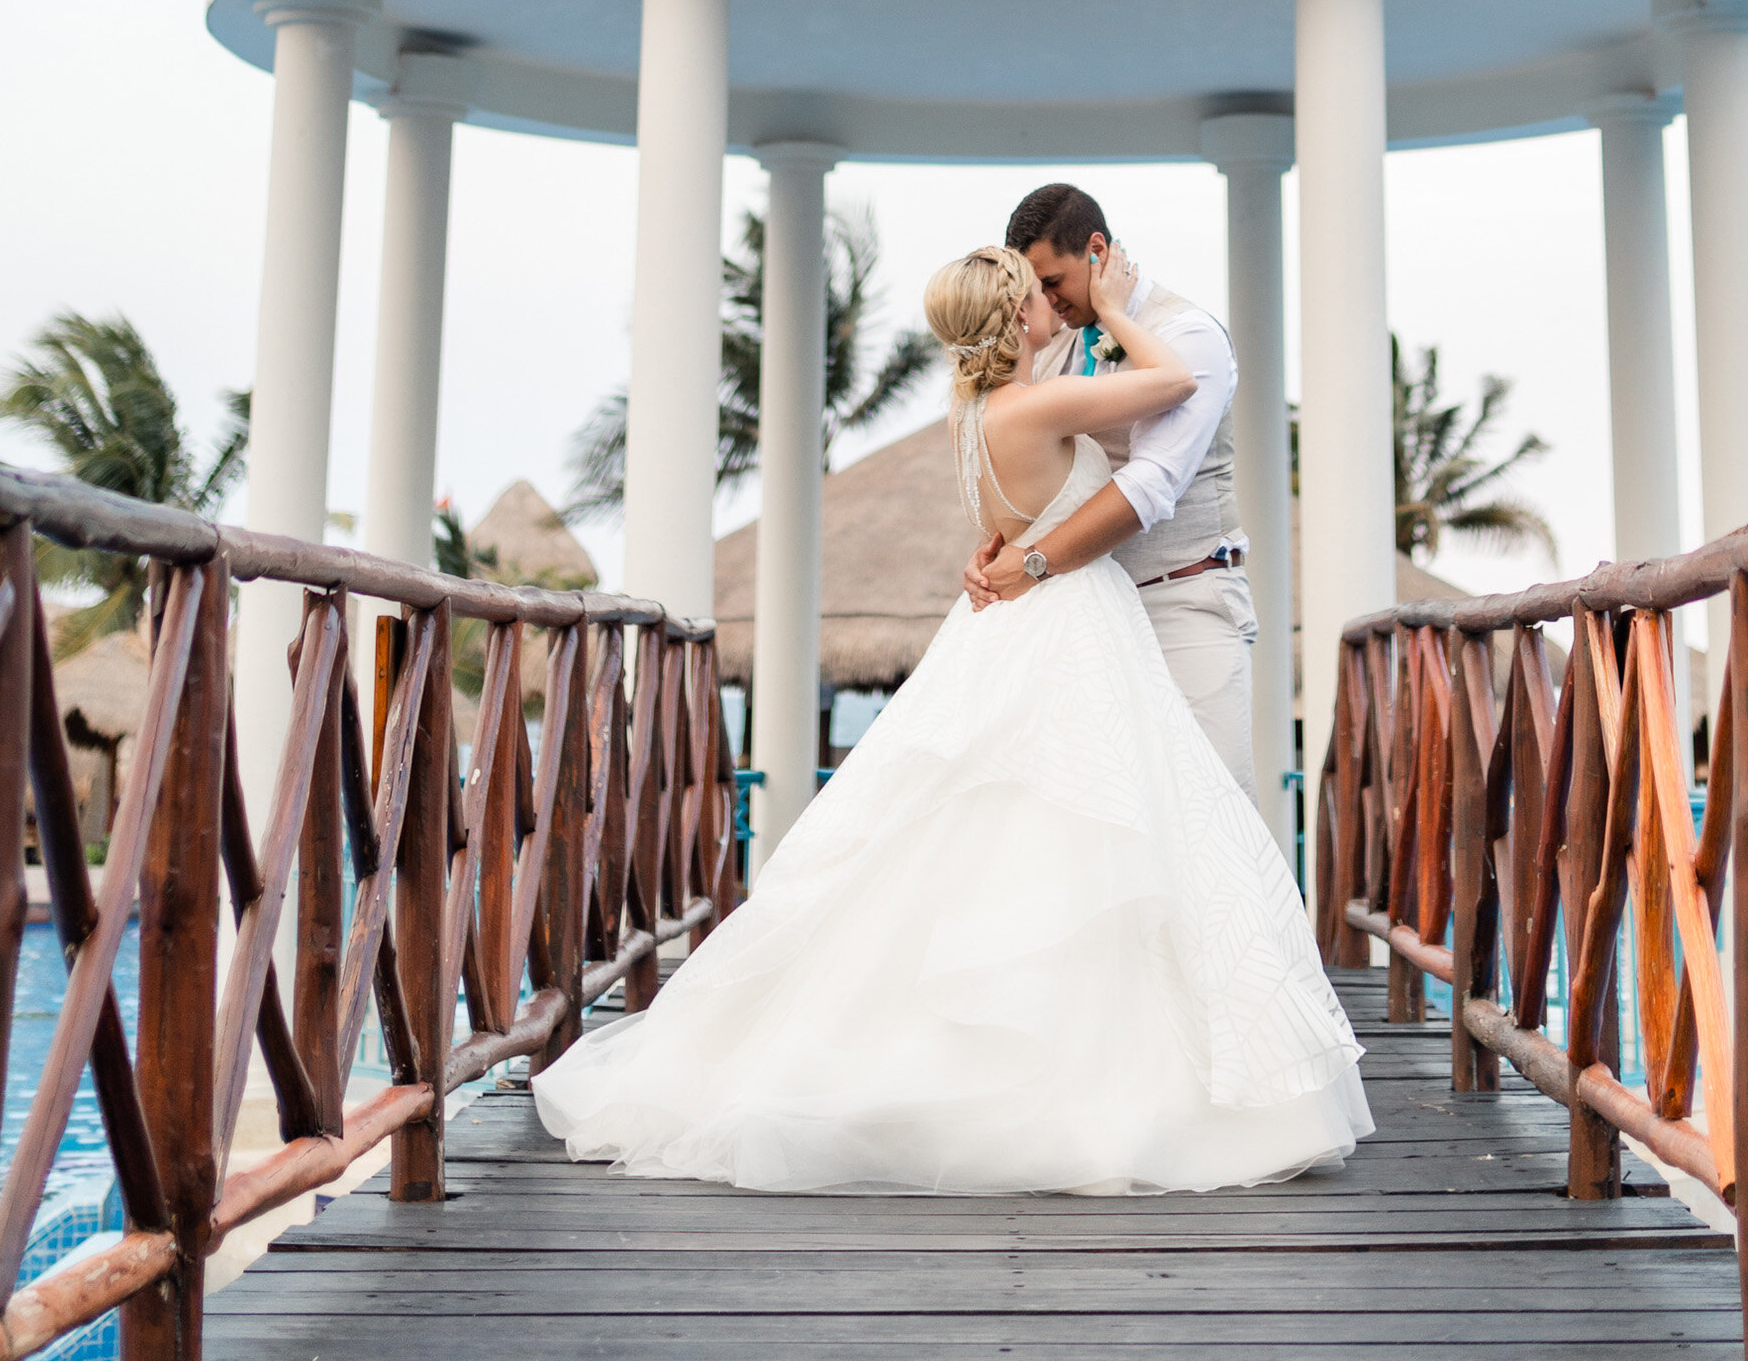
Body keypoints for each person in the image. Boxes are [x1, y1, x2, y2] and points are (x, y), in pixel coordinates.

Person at [529, 242, 1368, 1195]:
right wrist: (1121, 304)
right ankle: (1081, 1074)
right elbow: (1173, 380)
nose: (1054, 310)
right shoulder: (1039, 402)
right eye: (1037, 300)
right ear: (1016, 319)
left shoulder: (970, 418)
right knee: (1088, 830)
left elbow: (1012, 515)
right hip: (1068, 624)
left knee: (1014, 829)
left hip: (1012, 625)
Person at [965, 183, 1257, 803]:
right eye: (1033, 288)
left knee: (1213, 806)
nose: (1043, 302)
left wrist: (1035, 562)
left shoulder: (1188, 336)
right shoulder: (1054, 344)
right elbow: (1033, 468)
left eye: (1053, 281)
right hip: (1086, 618)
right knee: (1098, 822)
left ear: (1097, 251)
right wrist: (993, 552)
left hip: (1183, 599)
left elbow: (1151, 484)